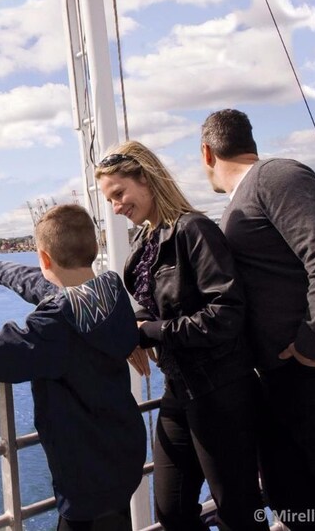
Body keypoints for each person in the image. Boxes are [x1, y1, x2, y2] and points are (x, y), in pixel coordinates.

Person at [201, 108, 315, 530]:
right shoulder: (243, 199)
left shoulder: (275, 177)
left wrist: (312, 342)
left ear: (206, 152)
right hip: (293, 373)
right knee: (297, 500)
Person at [0, 204, 146, 531]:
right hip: (124, 458)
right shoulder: (112, 293)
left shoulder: (57, 324)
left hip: (86, 479)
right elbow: (43, 285)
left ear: (45, 258)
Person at [96, 140, 267, 531]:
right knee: (171, 509)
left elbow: (226, 314)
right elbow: (148, 301)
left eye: (120, 194)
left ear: (146, 177)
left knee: (238, 507)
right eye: (111, 200)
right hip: (180, 387)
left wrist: (151, 333)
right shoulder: (144, 242)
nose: (117, 207)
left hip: (221, 390)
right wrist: (136, 328)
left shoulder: (194, 230)